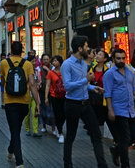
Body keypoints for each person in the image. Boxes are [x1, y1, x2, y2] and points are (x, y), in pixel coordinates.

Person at [62, 36, 107, 168]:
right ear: (80, 48)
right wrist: (86, 80)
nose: (88, 49)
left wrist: (93, 88)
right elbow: (68, 86)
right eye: (86, 46)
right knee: (70, 136)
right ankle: (67, 164)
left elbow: (83, 84)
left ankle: (102, 164)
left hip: (86, 103)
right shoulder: (67, 64)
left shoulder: (83, 64)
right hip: (72, 104)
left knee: (96, 134)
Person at [105, 48, 135, 168]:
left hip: (131, 110)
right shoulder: (109, 74)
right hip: (119, 110)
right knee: (124, 139)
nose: (121, 60)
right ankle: (125, 165)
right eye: (118, 58)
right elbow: (108, 93)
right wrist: (110, 110)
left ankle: (116, 150)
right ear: (113, 59)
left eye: (123, 58)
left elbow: (134, 89)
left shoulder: (130, 72)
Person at [1, 41, 41, 168]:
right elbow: (33, 84)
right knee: (16, 129)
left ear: (11, 50)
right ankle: (11, 150)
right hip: (24, 102)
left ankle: (19, 162)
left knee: (15, 130)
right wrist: (38, 103)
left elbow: (3, 81)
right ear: (22, 51)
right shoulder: (28, 64)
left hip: (10, 101)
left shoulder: (4, 63)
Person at [44, 55, 66, 143]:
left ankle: (58, 127)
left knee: (64, 114)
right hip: (54, 96)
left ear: (60, 62)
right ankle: (60, 133)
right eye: (53, 61)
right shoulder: (50, 73)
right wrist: (46, 97)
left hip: (65, 96)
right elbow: (48, 85)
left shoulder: (65, 72)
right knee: (57, 114)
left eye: (56, 61)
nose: (54, 62)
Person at [90, 50, 110, 127]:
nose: (97, 56)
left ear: (105, 59)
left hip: (103, 99)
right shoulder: (92, 69)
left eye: (100, 55)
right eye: (97, 54)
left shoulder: (107, 71)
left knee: (101, 119)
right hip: (92, 98)